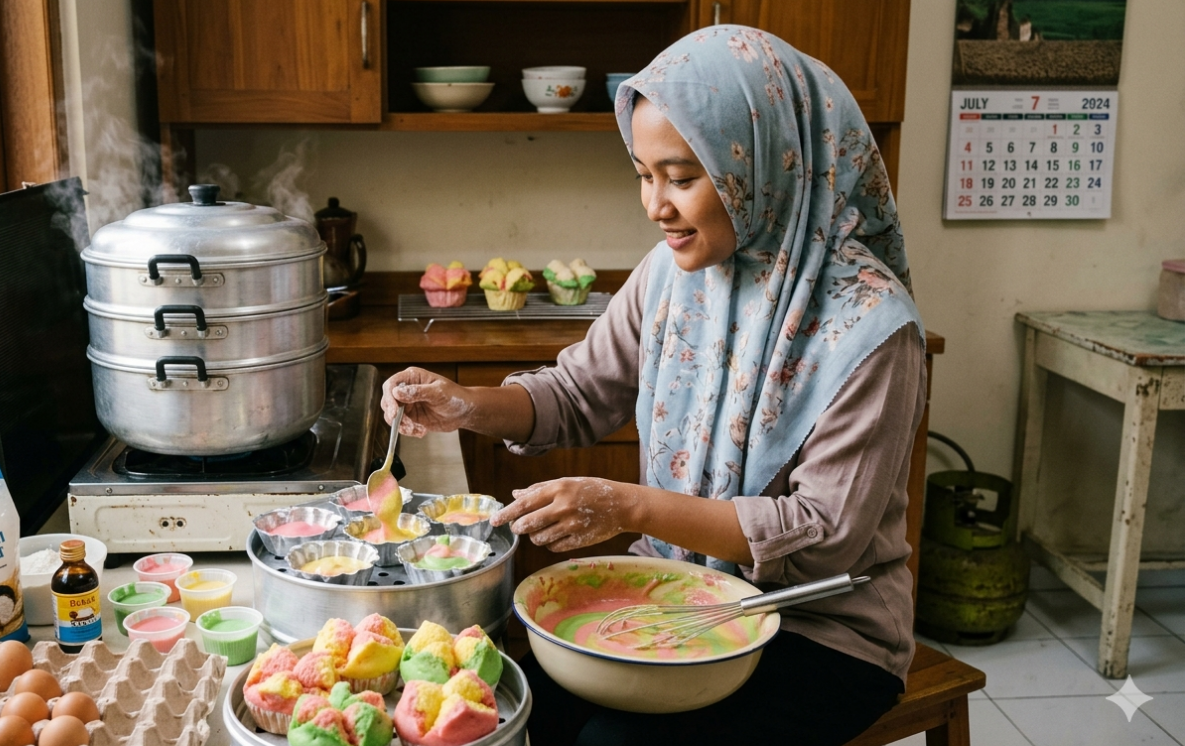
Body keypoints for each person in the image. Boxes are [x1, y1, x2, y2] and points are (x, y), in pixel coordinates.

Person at [381, 26, 925, 746]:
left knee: (612, 741)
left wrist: (630, 506)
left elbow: (825, 539)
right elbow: (578, 393)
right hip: (672, 592)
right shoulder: (673, 274)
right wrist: (466, 406)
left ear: (761, 165)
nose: (654, 206)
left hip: (819, 626)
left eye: (681, 176)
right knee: (515, 694)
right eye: (643, 173)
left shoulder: (872, 327)